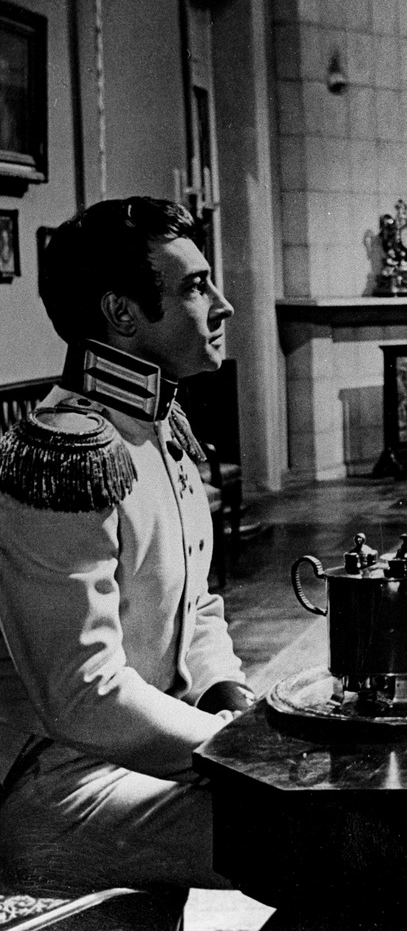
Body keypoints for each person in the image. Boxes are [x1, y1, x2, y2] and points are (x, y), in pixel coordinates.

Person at [0, 198, 252, 904]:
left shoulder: (156, 425)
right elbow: (85, 693)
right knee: (334, 838)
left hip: (157, 757)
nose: (223, 304)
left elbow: (197, 608)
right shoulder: (64, 453)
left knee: (362, 825)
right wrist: (236, 751)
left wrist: (230, 700)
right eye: (195, 286)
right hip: (67, 784)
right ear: (121, 312)